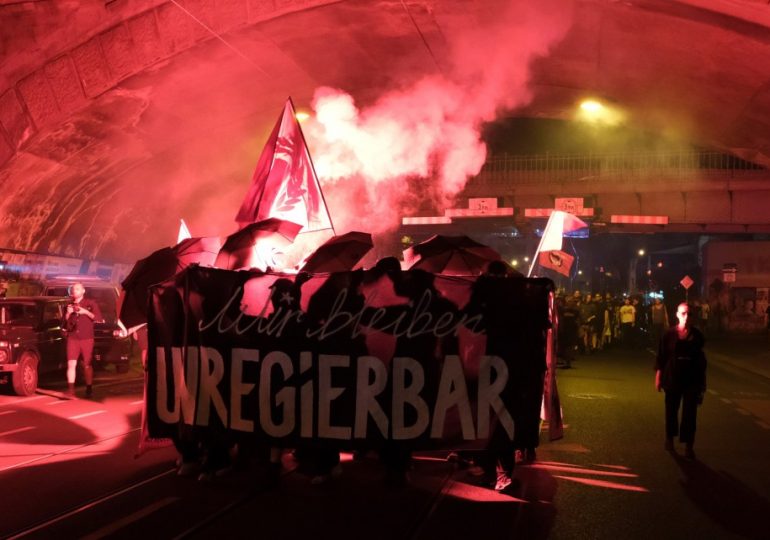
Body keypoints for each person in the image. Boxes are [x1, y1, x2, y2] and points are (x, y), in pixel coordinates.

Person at [654, 302, 707, 459]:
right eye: (683, 313)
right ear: (677, 314)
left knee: (690, 414)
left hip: (691, 380)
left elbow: (701, 362)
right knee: (671, 410)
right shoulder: (669, 335)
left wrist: (702, 385)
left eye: (690, 314)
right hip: (672, 377)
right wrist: (658, 377)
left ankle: (689, 446)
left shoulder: (698, 336)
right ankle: (669, 439)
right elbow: (661, 356)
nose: (686, 317)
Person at [63, 282, 103, 398]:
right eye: (74, 289)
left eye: (77, 289)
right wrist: (67, 314)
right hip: (73, 338)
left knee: (87, 365)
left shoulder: (90, 303)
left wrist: (85, 312)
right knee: (71, 364)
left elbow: (99, 318)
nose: (75, 291)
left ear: (83, 291)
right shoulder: (69, 305)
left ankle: (89, 388)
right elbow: (65, 323)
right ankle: (71, 390)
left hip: (87, 338)